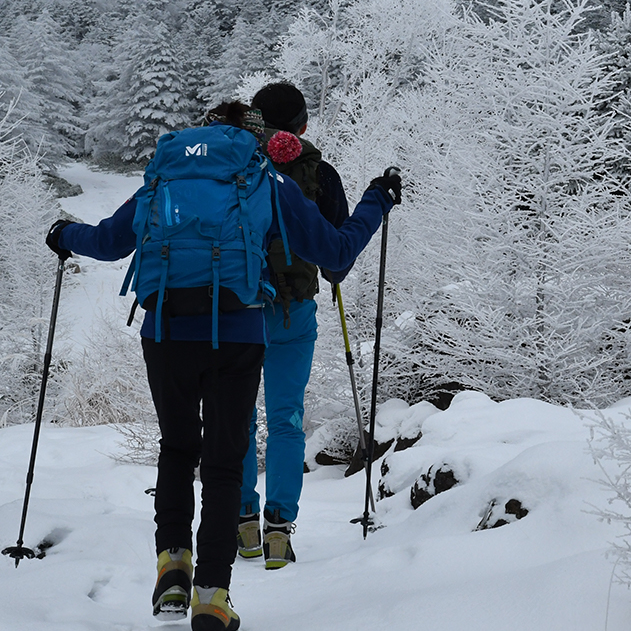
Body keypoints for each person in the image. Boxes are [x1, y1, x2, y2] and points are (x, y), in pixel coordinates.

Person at [45, 102, 402, 631]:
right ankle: (212, 594)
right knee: (223, 460)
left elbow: (107, 241)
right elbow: (337, 253)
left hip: (164, 331)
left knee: (177, 448)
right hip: (237, 331)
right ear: (253, 140)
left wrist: (61, 234)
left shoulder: (164, 178)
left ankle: (172, 567)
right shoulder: (265, 180)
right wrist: (378, 198)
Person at [235, 82, 347, 570]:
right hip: (293, 312)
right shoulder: (319, 173)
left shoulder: (234, 167)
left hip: (237, 313)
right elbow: (336, 261)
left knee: (235, 416)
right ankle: (279, 531)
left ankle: (242, 524)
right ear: (302, 126)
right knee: (286, 419)